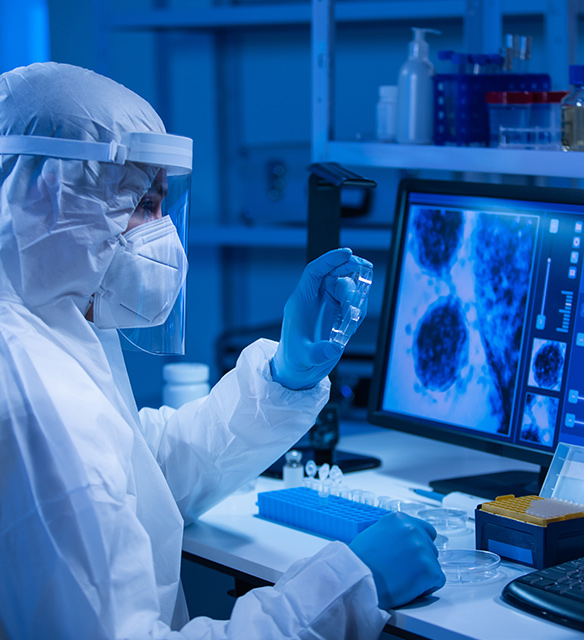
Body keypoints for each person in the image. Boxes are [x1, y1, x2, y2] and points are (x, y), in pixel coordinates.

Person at [0, 62, 445, 640]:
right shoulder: (34, 392)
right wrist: (353, 585)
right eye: (140, 202)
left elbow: (140, 471)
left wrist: (286, 376)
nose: (160, 236)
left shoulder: (44, 326)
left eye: (164, 206)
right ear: (45, 197)